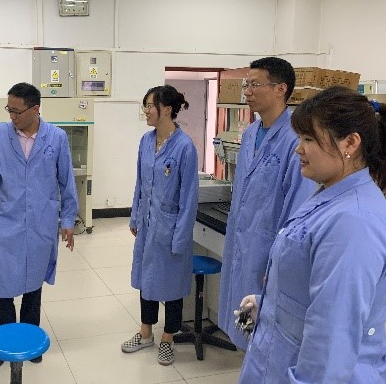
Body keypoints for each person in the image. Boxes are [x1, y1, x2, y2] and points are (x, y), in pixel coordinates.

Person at [238, 87, 386, 383]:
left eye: (308, 139)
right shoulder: (330, 195)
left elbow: (332, 341)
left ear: (350, 143)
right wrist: (269, 306)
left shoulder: (354, 221)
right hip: (277, 356)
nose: (298, 149)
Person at [0, 82, 78, 371]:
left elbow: (66, 180)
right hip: (4, 219)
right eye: (8, 110)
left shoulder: (56, 137)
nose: (11, 116)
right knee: (1, 285)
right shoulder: (1, 136)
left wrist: (68, 219)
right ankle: (1, 345)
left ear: (35, 109)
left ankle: (31, 339)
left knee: (34, 283)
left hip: (40, 221)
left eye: (16, 111)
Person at [218, 57, 315, 350]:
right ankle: (247, 361)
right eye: (246, 85)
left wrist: (279, 262)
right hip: (241, 241)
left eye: (255, 84)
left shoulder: (296, 141)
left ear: (280, 89)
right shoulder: (250, 134)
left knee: (266, 331)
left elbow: (298, 210)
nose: (247, 91)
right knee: (244, 322)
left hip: (268, 249)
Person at [121, 85, 199, 366]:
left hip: (171, 226)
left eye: (149, 106)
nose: (146, 111)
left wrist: (181, 236)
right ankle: (145, 333)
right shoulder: (145, 141)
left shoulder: (185, 147)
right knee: (147, 279)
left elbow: (189, 197)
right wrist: (135, 216)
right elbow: (140, 183)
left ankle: (168, 339)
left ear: (166, 109)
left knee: (172, 285)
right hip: (147, 223)